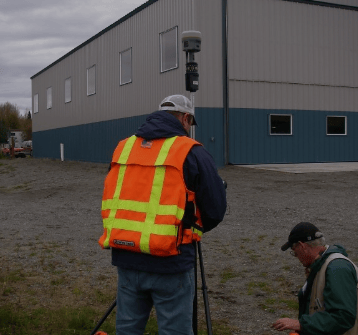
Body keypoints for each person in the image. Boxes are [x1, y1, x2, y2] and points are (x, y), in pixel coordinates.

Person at [99, 94, 227, 335]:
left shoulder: (124, 148)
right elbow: (215, 209)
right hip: (171, 260)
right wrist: (188, 228)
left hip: (127, 255)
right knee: (175, 330)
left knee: (127, 328)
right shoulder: (191, 151)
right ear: (186, 118)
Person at [272, 222, 358, 334]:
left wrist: (301, 324)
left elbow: (343, 317)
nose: (296, 257)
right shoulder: (319, 265)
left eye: (295, 252)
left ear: (302, 246)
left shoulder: (337, 269)